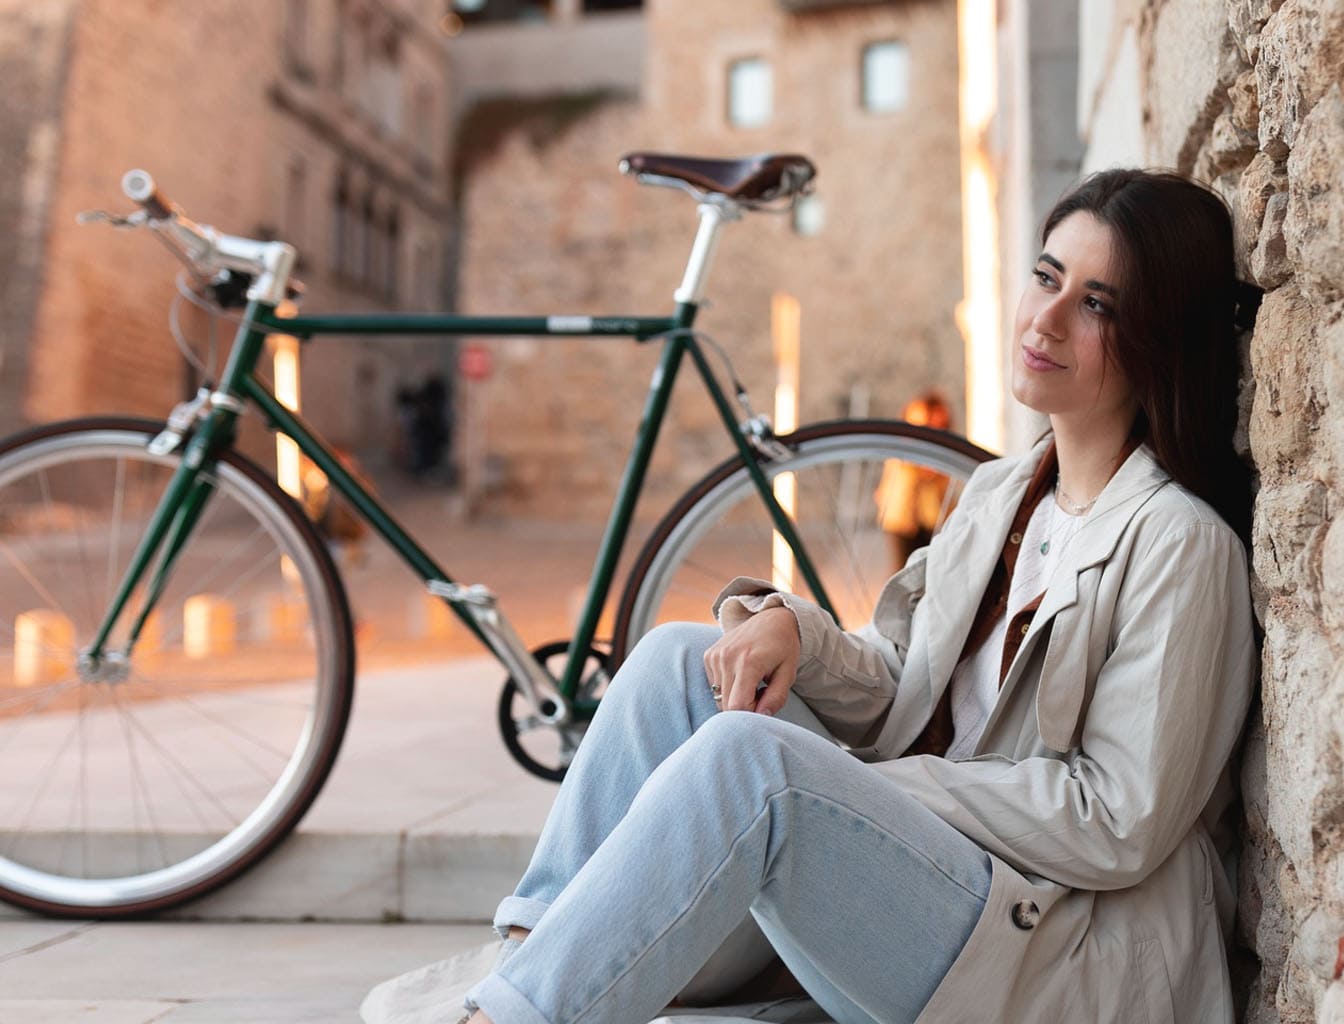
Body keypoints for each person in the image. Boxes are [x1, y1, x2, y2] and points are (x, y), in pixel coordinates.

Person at [455, 168, 1260, 1023]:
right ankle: (527, 968)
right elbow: (904, 680)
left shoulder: (1180, 545)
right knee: (676, 662)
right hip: (922, 887)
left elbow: (1118, 820)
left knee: (752, 762)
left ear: (1159, 340)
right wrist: (793, 635)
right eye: (1046, 277)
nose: (1047, 319)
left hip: (1044, 948)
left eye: (1097, 305)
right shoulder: (1003, 493)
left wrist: (886, 787)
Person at [875, 391, 956, 573]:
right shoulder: (905, 443)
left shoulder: (943, 449)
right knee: (902, 571)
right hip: (902, 516)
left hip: (935, 516)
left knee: (932, 570)